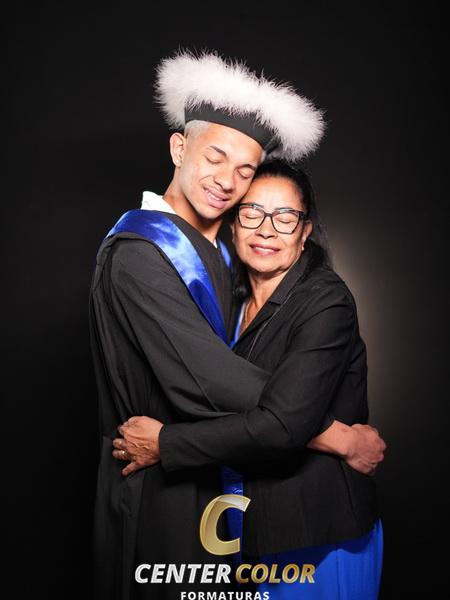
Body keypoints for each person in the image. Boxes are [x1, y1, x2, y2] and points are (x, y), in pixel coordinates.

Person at [90, 50, 385, 600]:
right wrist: (337, 436)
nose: (227, 181)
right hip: (157, 488)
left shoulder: (233, 261)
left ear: (304, 230)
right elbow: (209, 379)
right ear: (179, 149)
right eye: (215, 157)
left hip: (227, 498)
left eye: (244, 171)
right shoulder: (138, 254)